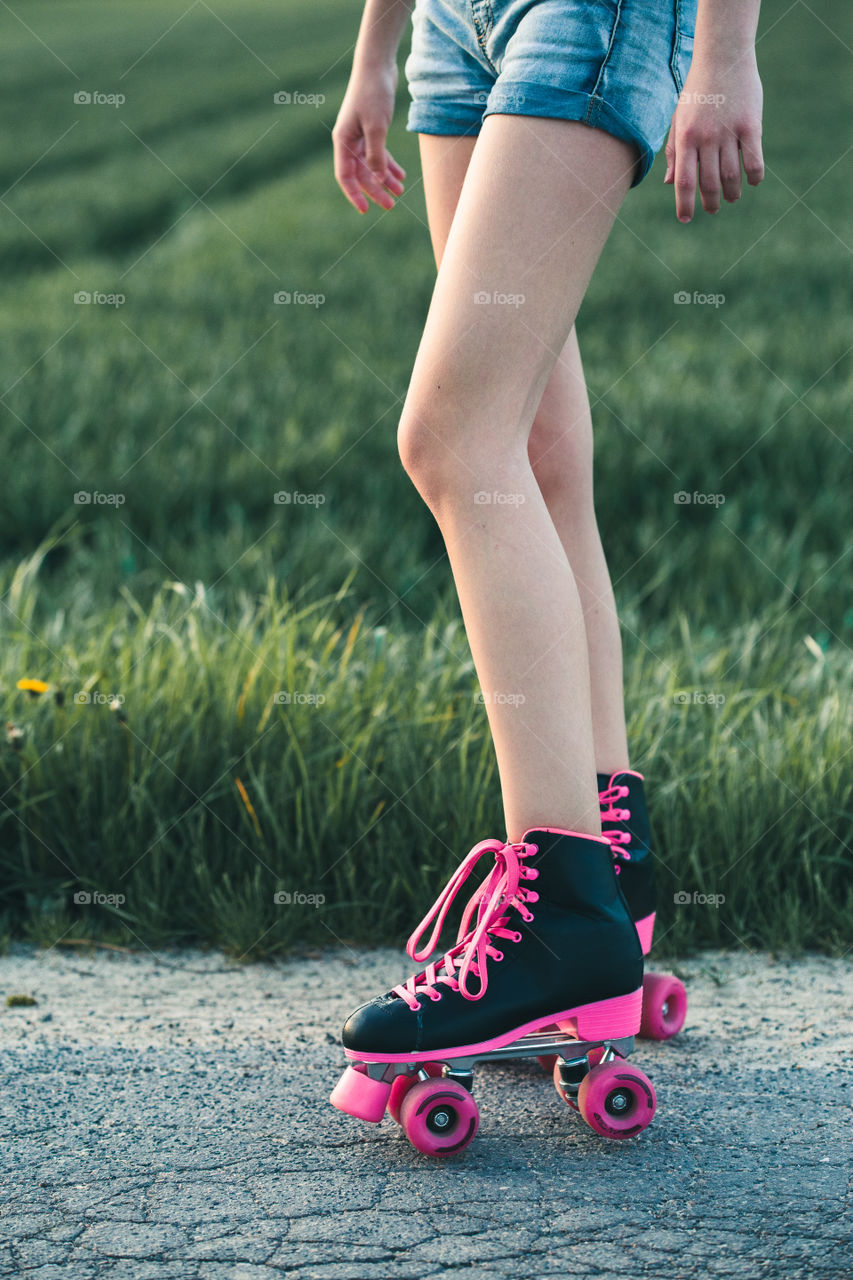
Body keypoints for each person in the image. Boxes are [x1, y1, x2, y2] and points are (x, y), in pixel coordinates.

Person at [329, 0, 764, 1130]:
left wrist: (725, 51)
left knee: (450, 438)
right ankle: (609, 860)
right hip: (450, 29)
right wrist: (376, 50)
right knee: (528, 446)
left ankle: (562, 912)